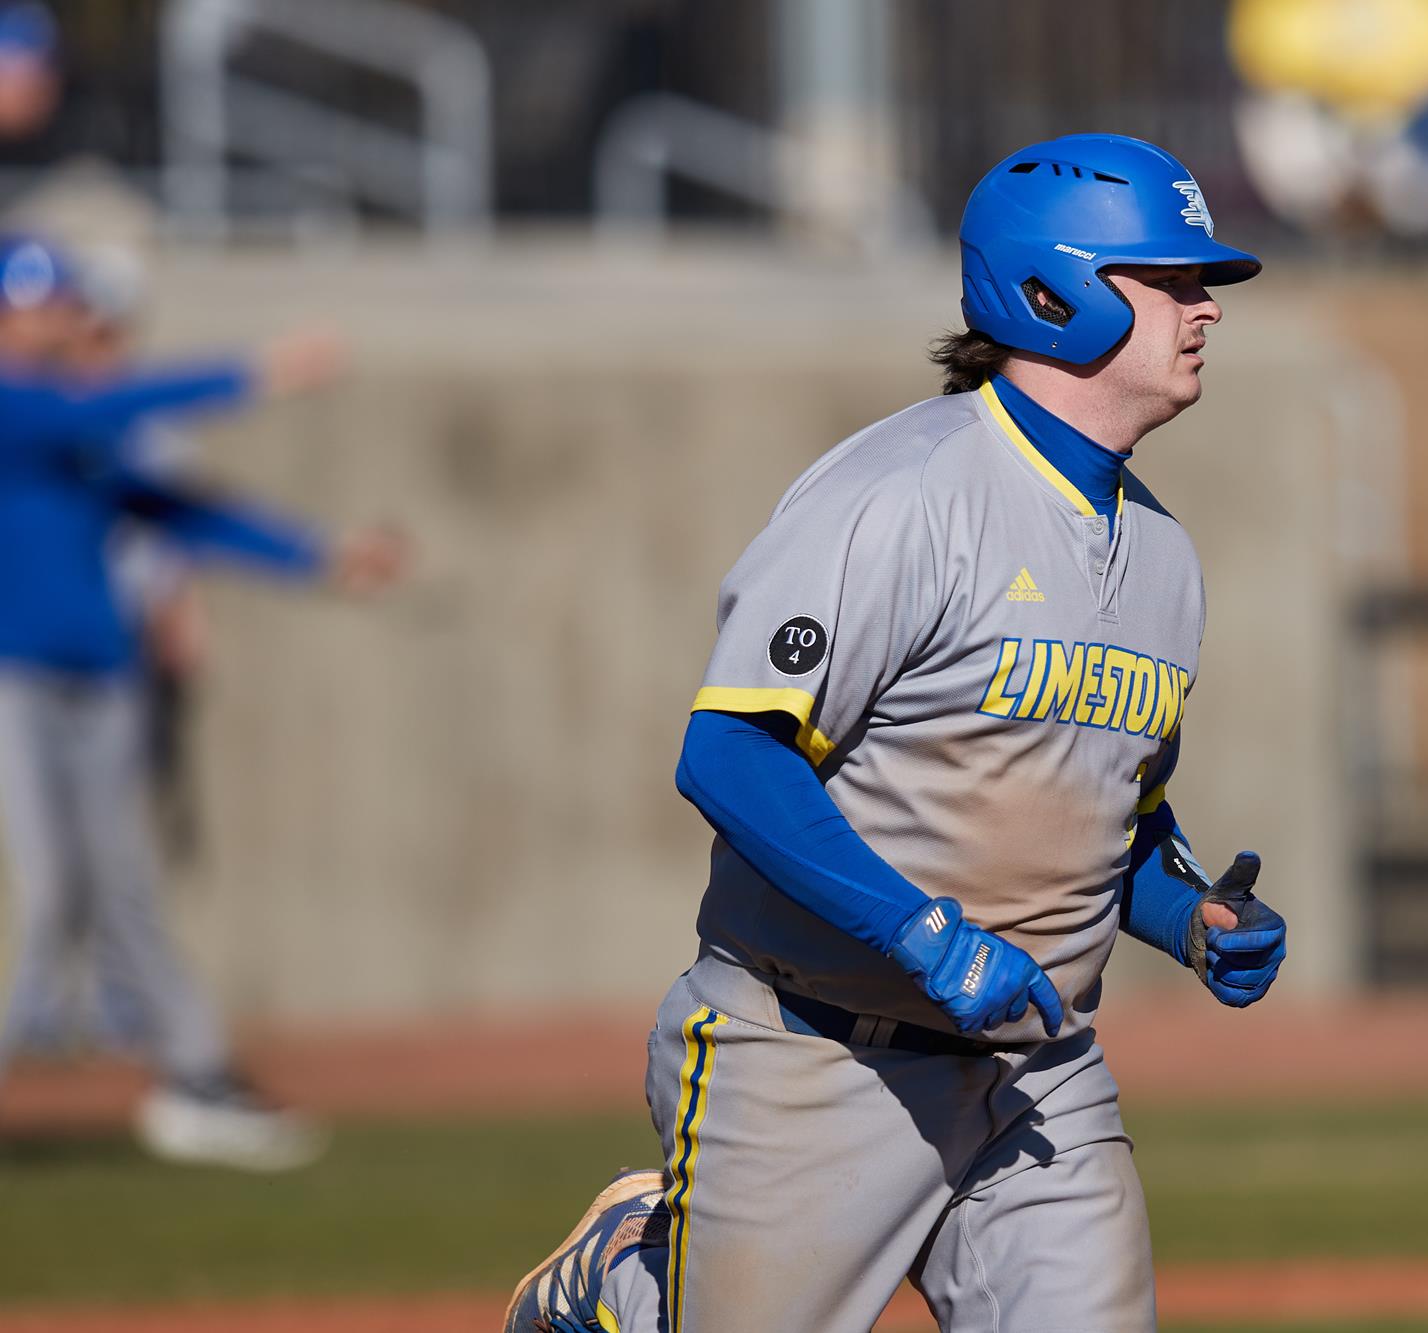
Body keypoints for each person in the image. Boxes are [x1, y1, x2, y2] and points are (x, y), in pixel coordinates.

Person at [505, 133, 1289, 1331]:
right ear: (1052, 293)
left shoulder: (1165, 553)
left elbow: (1111, 815)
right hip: (814, 1056)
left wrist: (1191, 916)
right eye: (1171, 279)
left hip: (1036, 1074)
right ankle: (628, 1282)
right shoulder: (902, 493)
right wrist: (925, 935)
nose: (1202, 309)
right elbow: (730, 753)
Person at [0, 234, 408, 1170]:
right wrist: (258, 371)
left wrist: (322, 554)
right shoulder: (27, 410)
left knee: (125, 877)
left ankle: (194, 1071)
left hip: (101, 676)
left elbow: (179, 510)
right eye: (31, 305)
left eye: (57, 304)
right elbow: (110, 403)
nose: (52, 320)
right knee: (54, 885)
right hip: (16, 678)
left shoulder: (80, 428)